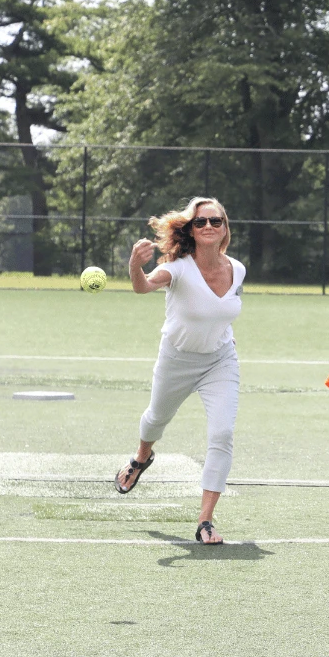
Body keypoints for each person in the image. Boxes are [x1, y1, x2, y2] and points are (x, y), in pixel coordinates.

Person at [114, 197, 245, 545]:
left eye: (215, 221)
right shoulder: (178, 268)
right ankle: (141, 458)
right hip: (177, 359)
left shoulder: (238, 269)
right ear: (190, 228)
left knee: (222, 434)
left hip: (220, 360)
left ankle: (205, 521)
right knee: (156, 418)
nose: (208, 227)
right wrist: (134, 266)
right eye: (200, 222)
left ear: (224, 228)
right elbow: (143, 286)